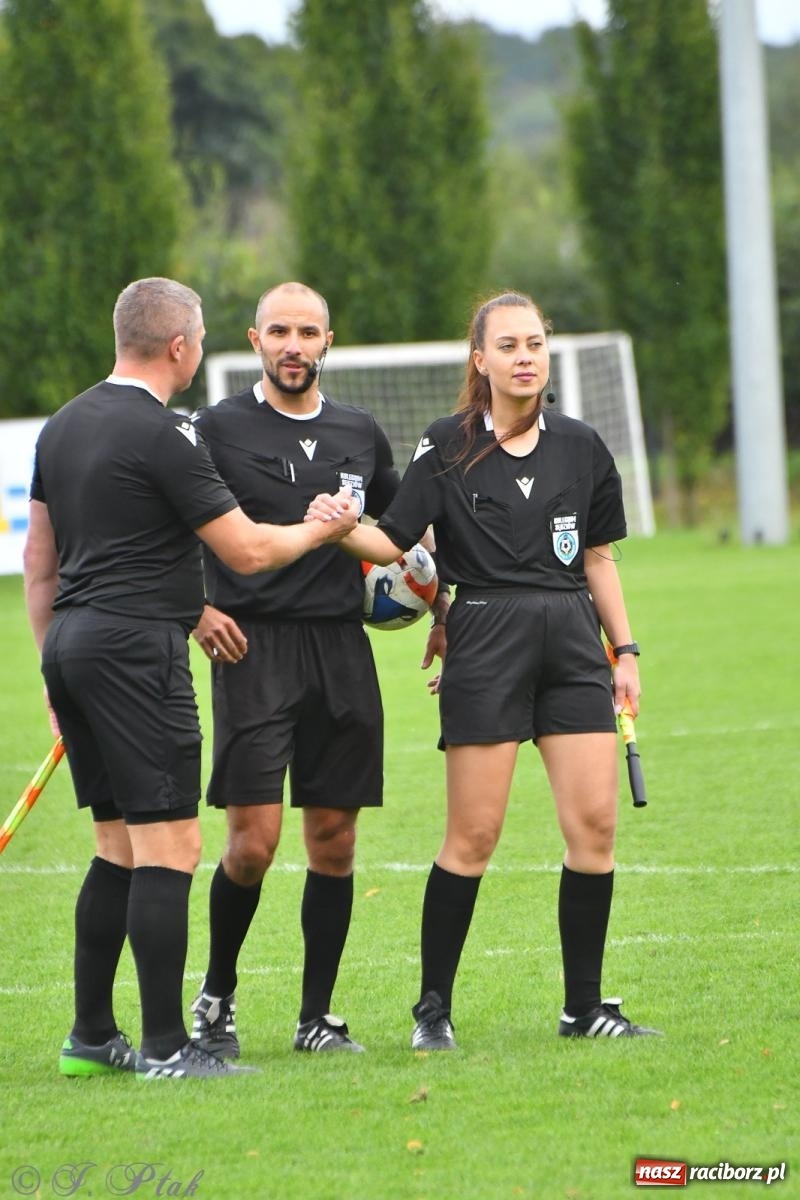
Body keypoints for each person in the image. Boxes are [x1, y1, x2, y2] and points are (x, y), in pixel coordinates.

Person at [23, 276, 358, 1081]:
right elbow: (244, 550)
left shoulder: (61, 426)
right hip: (137, 653)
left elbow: (40, 562)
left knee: (117, 846)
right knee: (171, 844)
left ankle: (92, 1037)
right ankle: (170, 1047)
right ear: (180, 346)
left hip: (71, 642)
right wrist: (321, 530)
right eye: (201, 338)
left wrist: (49, 665)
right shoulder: (165, 434)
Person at [308, 290, 661, 1047]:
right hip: (487, 636)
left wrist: (623, 651)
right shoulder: (446, 445)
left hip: (572, 639)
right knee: (474, 835)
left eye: (534, 343)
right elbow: (393, 542)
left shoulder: (583, 446)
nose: (525, 356)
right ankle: (432, 1011)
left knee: (594, 828)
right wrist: (336, 531)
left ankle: (585, 1008)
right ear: (481, 361)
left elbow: (598, 558)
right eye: (508, 346)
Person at [188, 281, 448, 1057]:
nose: (293, 345)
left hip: (340, 647)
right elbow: (172, 528)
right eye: (279, 332)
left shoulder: (358, 432)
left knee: (334, 840)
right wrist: (194, 611)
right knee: (254, 843)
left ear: (329, 340)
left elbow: (407, 533)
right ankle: (217, 996)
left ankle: (316, 1018)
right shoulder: (217, 428)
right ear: (255, 339)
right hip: (250, 645)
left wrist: (445, 608)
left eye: (307, 331)